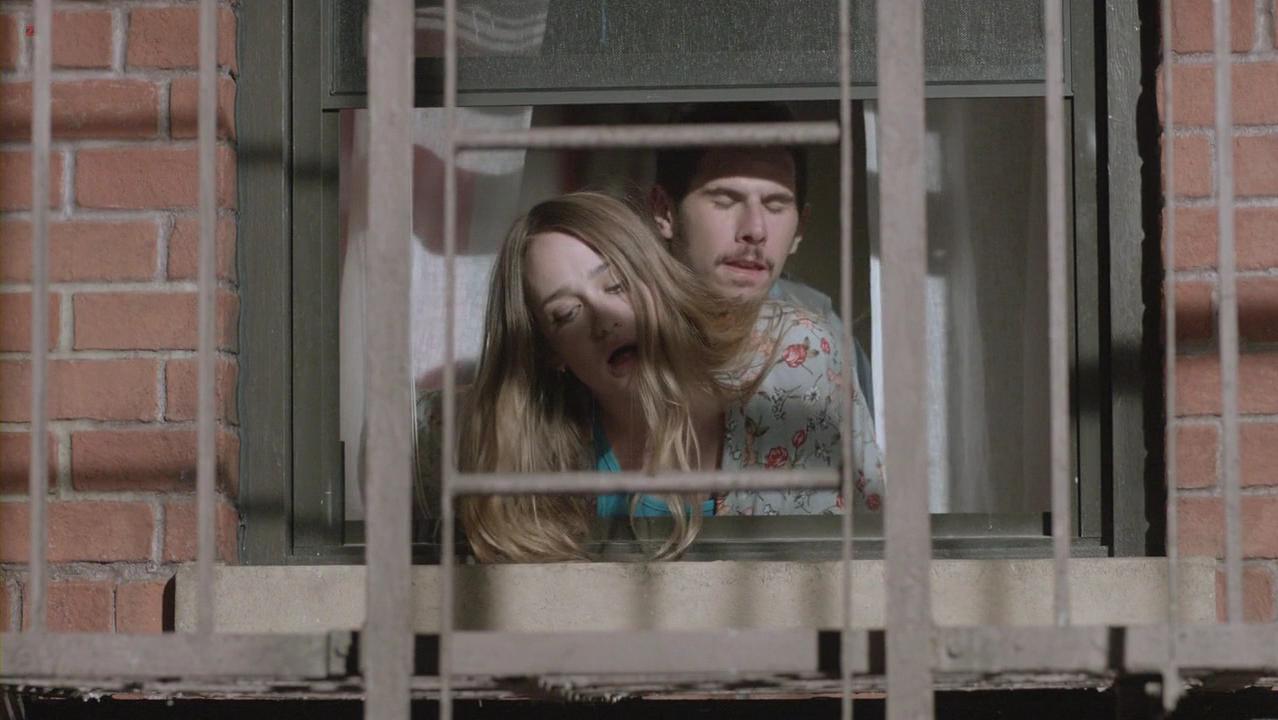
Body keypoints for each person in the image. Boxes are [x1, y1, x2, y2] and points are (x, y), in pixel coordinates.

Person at [415, 192, 882, 563]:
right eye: (566, 313)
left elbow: (882, 545)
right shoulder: (505, 440)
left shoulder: (798, 359)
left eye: (616, 285)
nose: (604, 318)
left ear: (660, 282)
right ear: (551, 353)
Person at [648, 102, 877, 416]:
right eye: (725, 200)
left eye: (775, 206)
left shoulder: (827, 340)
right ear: (664, 211)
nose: (755, 230)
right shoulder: (613, 326)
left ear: (800, 230)